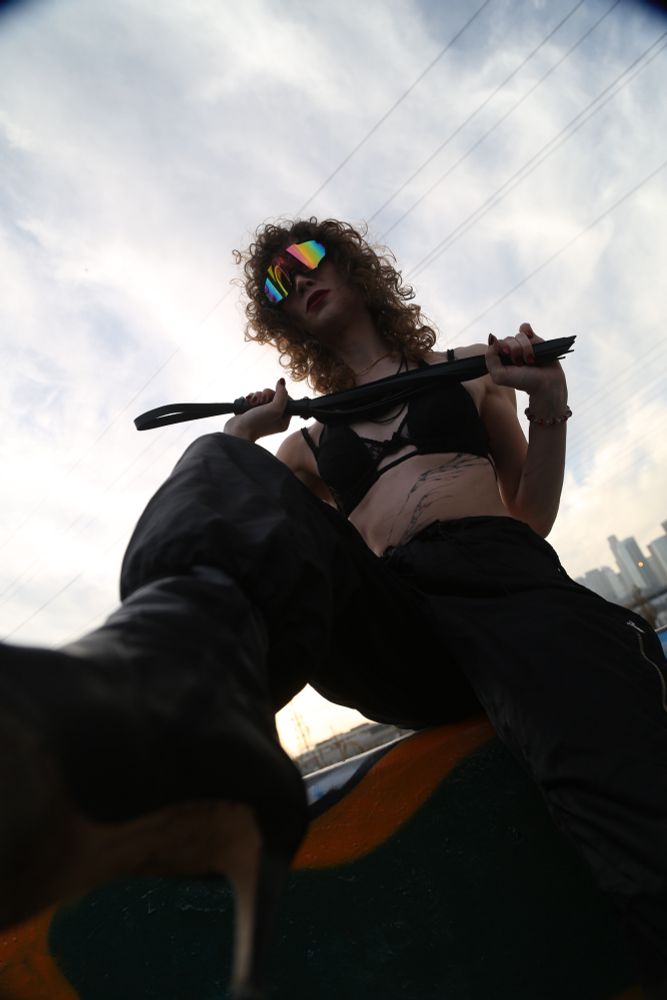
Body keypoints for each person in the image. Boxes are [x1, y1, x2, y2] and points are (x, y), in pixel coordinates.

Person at [1, 218, 665, 999]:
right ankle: (162, 688)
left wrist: (545, 406)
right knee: (220, 460)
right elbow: (272, 539)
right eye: (276, 283)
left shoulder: (466, 371)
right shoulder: (308, 444)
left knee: (608, 760)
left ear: (350, 266)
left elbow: (529, 517)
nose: (295, 280)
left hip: (502, 585)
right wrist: (247, 434)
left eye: (306, 260)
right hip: (399, 629)